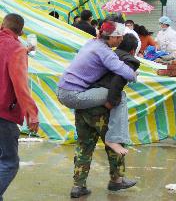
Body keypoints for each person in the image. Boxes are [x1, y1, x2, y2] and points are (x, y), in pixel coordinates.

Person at [57, 21, 137, 154]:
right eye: (119, 37)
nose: (121, 39)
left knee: (83, 149)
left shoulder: (92, 42)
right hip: (73, 95)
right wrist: (134, 74)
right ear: (112, 37)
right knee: (121, 96)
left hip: (62, 90)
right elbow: (126, 73)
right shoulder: (105, 52)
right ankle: (114, 139)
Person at [0, 13, 39, 201]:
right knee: (9, 163)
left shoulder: (17, 48)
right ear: (21, 31)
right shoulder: (16, 48)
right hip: (3, 113)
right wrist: (33, 113)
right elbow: (20, 85)